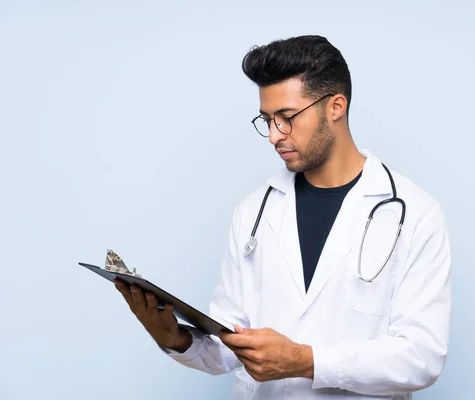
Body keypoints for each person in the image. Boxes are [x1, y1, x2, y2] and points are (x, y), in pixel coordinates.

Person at [115, 34, 452, 399]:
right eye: (268, 119)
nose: (275, 135)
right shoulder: (252, 213)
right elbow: (228, 344)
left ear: (335, 106)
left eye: (287, 118)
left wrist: (305, 360)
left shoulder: (416, 214)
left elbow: (422, 357)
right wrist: (174, 338)